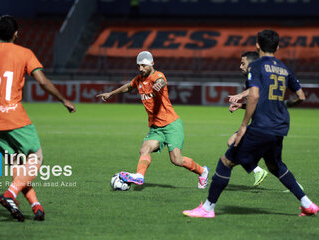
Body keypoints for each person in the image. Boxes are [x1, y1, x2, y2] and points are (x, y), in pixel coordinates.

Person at [183, 29, 318, 218]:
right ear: (278, 47)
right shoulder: (284, 68)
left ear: (257, 45)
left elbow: (254, 95)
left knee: (225, 162)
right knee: (275, 166)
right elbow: (301, 97)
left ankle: (207, 208)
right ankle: (308, 204)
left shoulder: (256, 66)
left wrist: (244, 125)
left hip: (261, 126)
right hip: (279, 126)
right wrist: (282, 104)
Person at [0, 15, 76, 221]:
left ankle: (35, 206)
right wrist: (63, 99)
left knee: (18, 164)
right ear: (16, 33)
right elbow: (41, 81)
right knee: (36, 157)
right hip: (13, 117)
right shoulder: (24, 53)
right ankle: (10, 194)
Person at [96, 51, 209, 188]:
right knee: (145, 149)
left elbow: (161, 81)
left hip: (171, 124)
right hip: (156, 127)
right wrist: (111, 94)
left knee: (176, 160)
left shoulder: (158, 76)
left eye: (143, 65)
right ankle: (139, 176)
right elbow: (128, 87)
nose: (141, 69)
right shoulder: (139, 79)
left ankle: (203, 171)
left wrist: (159, 85)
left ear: (152, 64)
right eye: (138, 66)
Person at [227, 51, 269, 187]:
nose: (240, 66)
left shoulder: (261, 76)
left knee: (233, 144)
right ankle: (297, 188)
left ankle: (257, 170)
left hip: (265, 123)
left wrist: (240, 95)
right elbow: (256, 103)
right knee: (274, 162)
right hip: (262, 122)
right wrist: (241, 106)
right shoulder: (250, 80)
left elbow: (254, 91)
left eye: (243, 63)